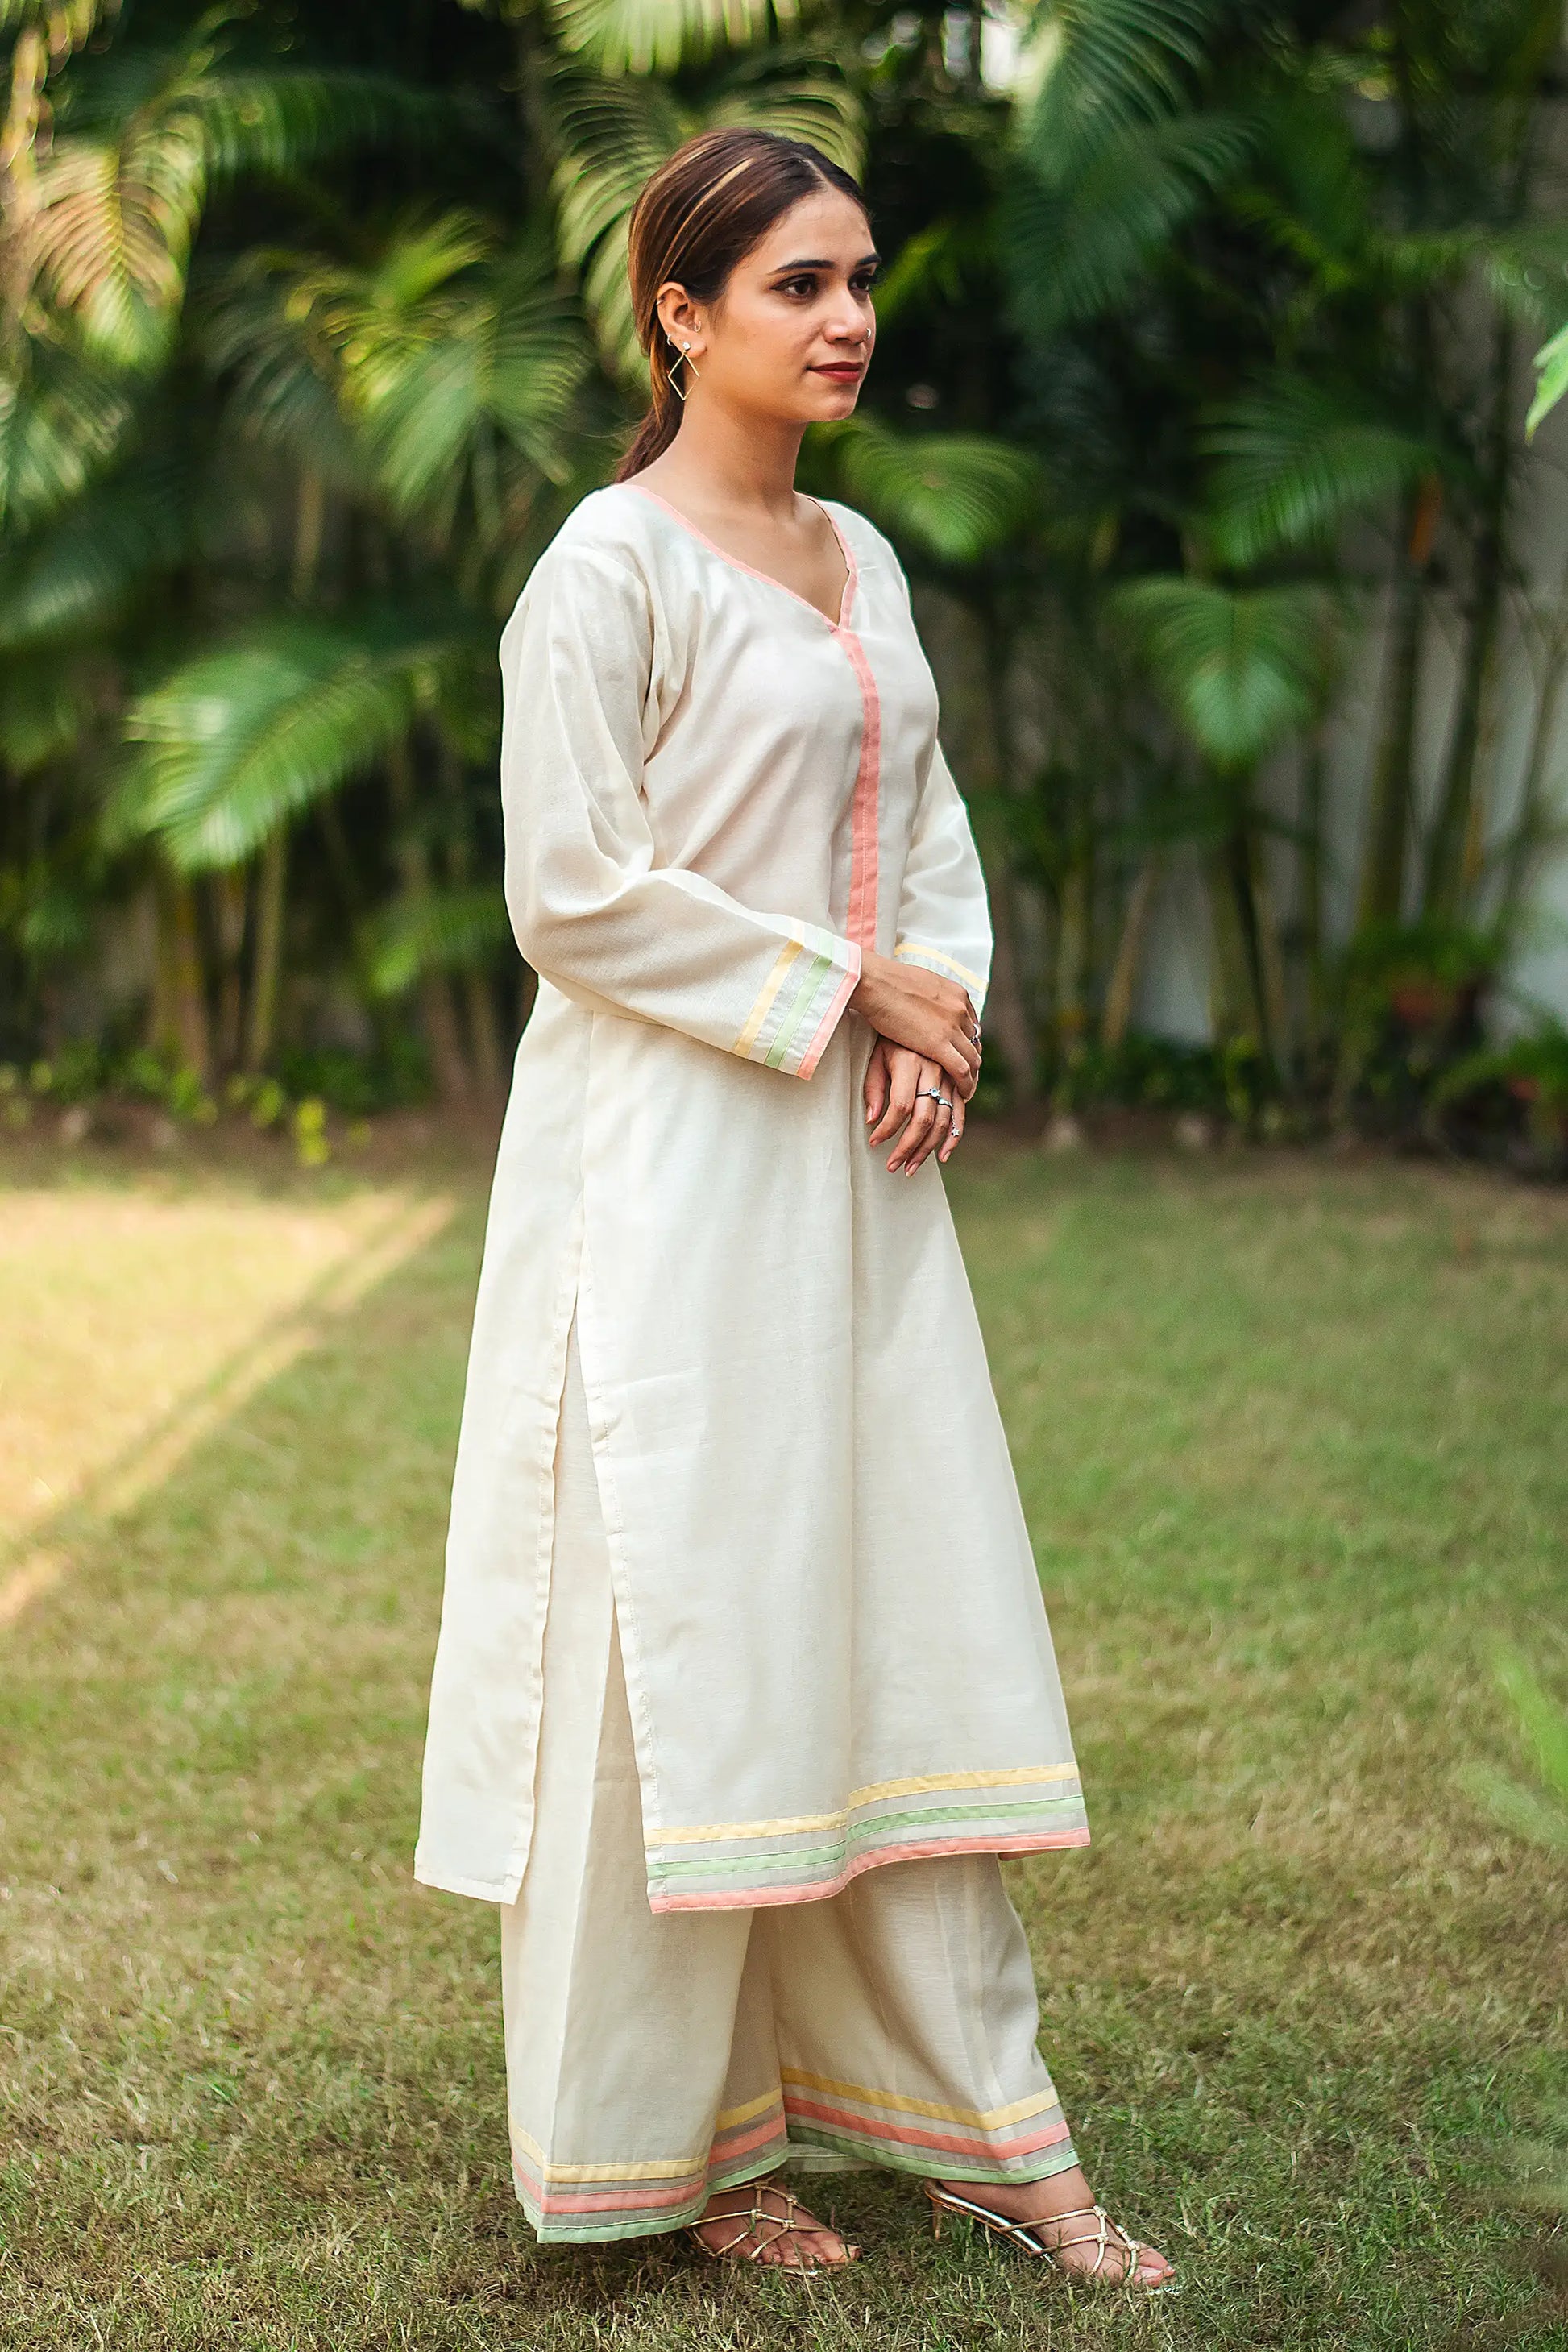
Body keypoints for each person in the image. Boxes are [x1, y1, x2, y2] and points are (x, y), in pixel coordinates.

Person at [414, 125, 1174, 2291]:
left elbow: (918, 824)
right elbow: (571, 893)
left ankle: (990, 2135)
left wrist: (932, 1022)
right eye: (794, 285)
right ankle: (665, 2156)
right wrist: (844, 993)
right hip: (661, 1178)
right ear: (678, 312)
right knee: (678, 1646)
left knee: (884, 1612)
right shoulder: (607, 567)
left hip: (852, 1182)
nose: (846, 317)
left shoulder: (861, 557)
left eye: (857, 279)